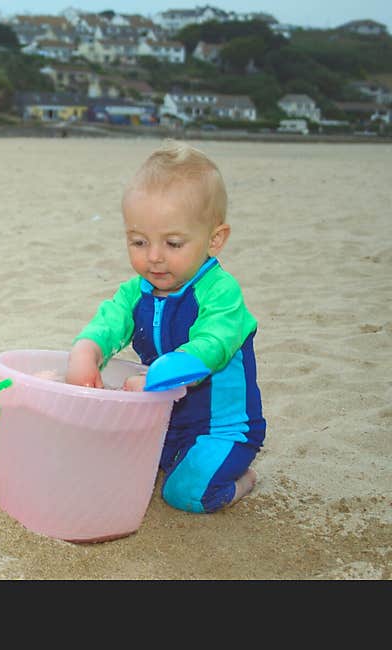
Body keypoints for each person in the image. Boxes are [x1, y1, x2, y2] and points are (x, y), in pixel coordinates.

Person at [65, 139, 266, 514]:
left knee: (185, 494)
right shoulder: (135, 292)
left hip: (222, 429)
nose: (153, 257)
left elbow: (212, 345)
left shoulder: (221, 293)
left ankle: (243, 481)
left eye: (173, 243)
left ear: (214, 239)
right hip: (162, 420)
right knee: (102, 460)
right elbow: (107, 323)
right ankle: (170, 457)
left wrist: (158, 377)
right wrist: (85, 352)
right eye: (139, 241)